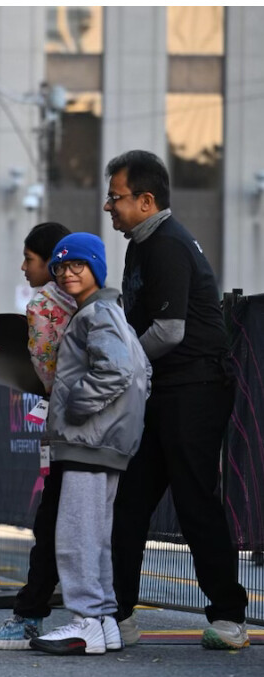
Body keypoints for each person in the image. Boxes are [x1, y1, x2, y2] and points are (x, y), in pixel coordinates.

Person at [105, 150, 250, 650]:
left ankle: (229, 616)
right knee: (130, 502)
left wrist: (120, 365)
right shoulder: (141, 245)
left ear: (146, 201)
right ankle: (118, 614)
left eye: (116, 197)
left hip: (195, 388)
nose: (108, 206)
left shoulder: (167, 244)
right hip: (161, 389)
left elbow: (169, 330)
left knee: (194, 502)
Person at [29, 233, 150, 656]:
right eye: (60, 267)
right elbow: (143, 370)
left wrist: (77, 406)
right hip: (104, 442)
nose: (67, 273)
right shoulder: (110, 311)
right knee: (95, 536)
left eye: (77, 264)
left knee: (76, 535)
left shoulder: (95, 313)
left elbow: (117, 370)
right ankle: (103, 623)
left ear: (96, 267)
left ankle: (85, 622)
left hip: (89, 440)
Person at [0, 222, 76, 650]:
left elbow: (46, 373)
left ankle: (30, 615)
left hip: (67, 428)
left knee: (51, 522)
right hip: (111, 430)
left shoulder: (43, 306)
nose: (23, 267)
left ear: (53, 263)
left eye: (29, 258)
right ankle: (113, 616)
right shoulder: (99, 301)